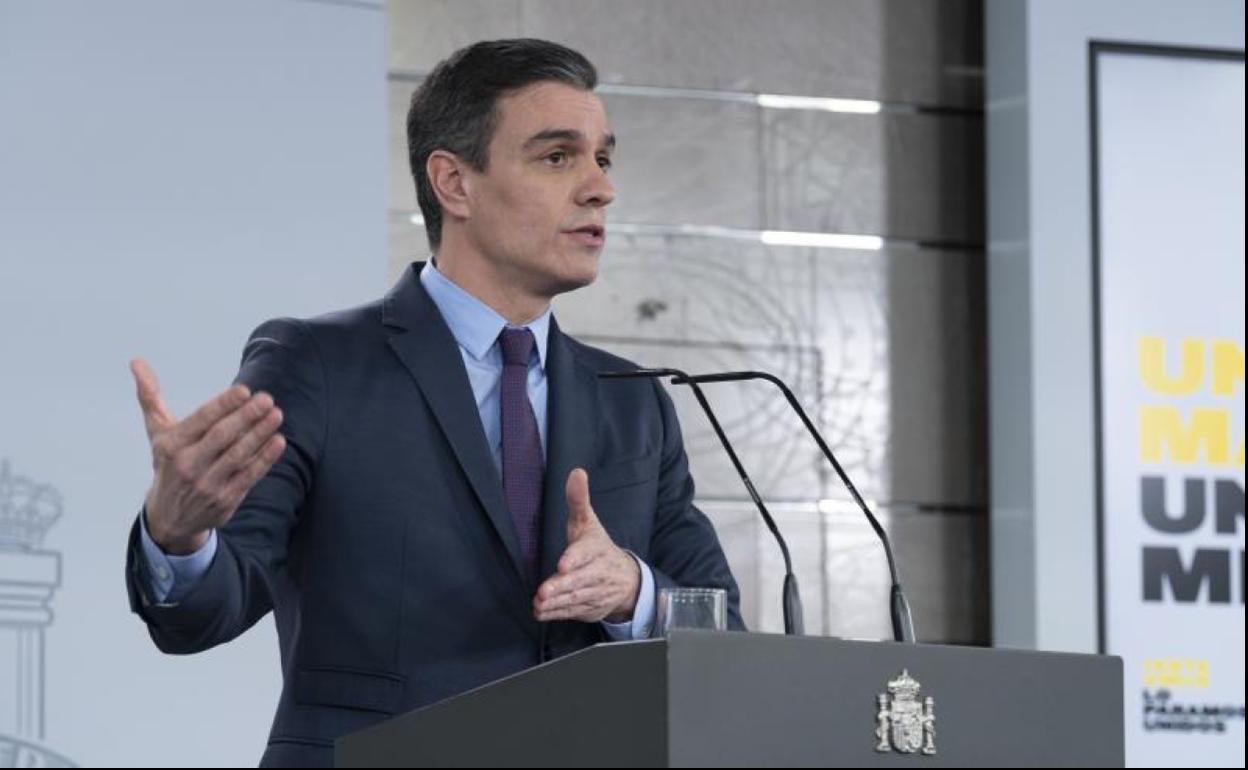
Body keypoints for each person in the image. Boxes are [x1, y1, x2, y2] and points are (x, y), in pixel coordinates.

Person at [124, 38, 744, 767]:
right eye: (557, 157)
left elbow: (724, 639)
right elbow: (206, 610)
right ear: (454, 183)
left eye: (603, 159)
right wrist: (178, 537)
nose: (599, 188)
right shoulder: (317, 364)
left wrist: (631, 590)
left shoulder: (633, 401)